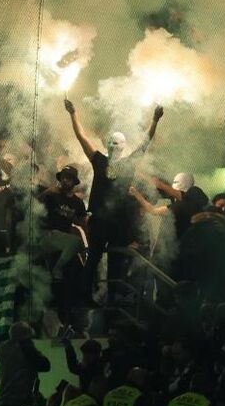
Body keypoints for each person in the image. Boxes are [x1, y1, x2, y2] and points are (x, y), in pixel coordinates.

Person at [64, 98, 163, 290]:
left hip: (117, 221)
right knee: (94, 260)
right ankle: (89, 296)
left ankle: (109, 298)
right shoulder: (100, 160)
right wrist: (73, 114)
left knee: (114, 261)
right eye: (111, 143)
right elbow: (81, 136)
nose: (113, 146)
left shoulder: (124, 163)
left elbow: (145, 142)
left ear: (123, 145)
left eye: (116, 143)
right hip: (102, 220)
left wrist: (155, 121)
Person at [0, 321, 50, 406]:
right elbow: (45, 365)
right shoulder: (25, 347)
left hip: (1, 404)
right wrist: (30, 345)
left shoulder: (2, 347)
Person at [36, 165, 88, 281]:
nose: (65, 180)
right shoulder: (52, 194)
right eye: (63, 177)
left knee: (78, 245)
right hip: (47, 234)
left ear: (74, 182)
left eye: (69, 178)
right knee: (76, 241)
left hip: (63, 239)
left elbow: (83, 222)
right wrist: (46, 192)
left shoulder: (78, 202)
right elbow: (33, 205)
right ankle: (57, 269)